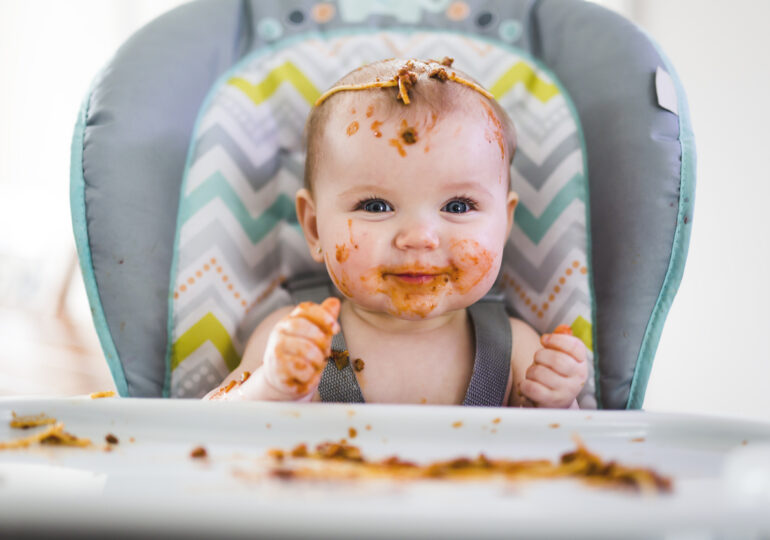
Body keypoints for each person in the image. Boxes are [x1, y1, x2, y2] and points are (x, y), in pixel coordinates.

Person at [204, 58, 588, 407]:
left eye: (457, 206)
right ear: (313, 226)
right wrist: (271, 388)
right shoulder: (295, 340)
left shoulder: (516, 348)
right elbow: (208, 429)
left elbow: (567, 459)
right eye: (375, 206)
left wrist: (555, 403)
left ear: (504, 223)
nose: (420, 237)